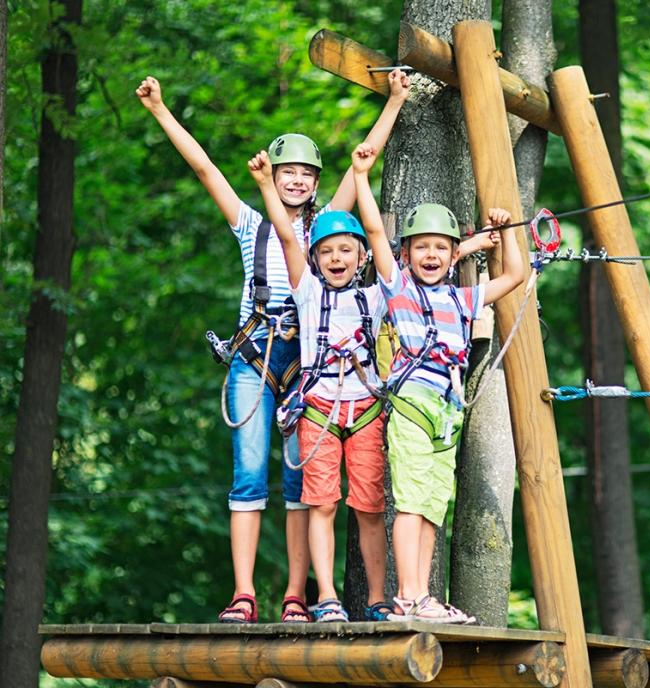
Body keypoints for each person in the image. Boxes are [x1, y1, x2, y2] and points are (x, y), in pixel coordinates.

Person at [136, 70, 410, 623]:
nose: (296, 180)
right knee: (247, 473)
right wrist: (161, 110)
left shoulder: (331, 229)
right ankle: (243, 593)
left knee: (300, 485)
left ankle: (295, 594)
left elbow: (365, 163)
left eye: (306, 173)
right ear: (275, 175)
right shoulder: (251, 225)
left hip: (309, 365)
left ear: (314, 182)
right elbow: (204, 168)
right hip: (255, 356)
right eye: (288, 172)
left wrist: (397, 101)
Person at [358, 146, 525, 622]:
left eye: (440, 247)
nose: (430, 255)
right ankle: (408, 596)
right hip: (412, 404)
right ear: (405, 254)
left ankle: (422, 596)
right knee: (410, 501)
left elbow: (513, 274)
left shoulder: (463, 298)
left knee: (432, 505)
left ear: (455, 255)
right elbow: (373, 231)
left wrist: (507, 231)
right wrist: (362, 173)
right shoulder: (399, 288)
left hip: (447, 413)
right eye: (421, 247)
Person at [249, 145, 390, 623]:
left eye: (345, 251)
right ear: (314, 260)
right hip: (318, 411)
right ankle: (326, 595)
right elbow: (289, 238)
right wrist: (269, 184)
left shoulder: (377, 297)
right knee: (321, 502)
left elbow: (385, 241)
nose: (336, 258)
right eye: (327, 252)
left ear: (362, 256)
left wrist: (476, 245)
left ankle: (376, 598)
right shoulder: (306, 290)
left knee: (370, 507)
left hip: (365, 409)